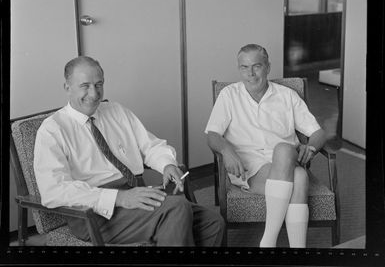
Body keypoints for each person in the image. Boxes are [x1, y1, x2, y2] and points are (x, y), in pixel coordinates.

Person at [34, 56, 224, 246]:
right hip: (94, 213)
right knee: (176, 209)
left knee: (212, 223)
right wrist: (119, 198)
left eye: (99, 84)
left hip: (136, 194)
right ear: (67, 87)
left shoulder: (116, 111)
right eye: (85, 85)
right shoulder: (53, 129)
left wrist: (167, 164)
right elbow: (53, 190)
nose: (94, 94)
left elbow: (151, 145)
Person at [205, 44, 327, 248]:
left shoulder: (287, 96)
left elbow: (318, 133)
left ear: (268, 67)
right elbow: (213, 135)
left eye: (256, 66)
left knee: (289, 158)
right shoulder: (229, 95)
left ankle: (273, 244)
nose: (250, 74)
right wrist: (226, 150)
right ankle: (280, 245)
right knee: (298, 172)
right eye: (244, 67)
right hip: (248, 168)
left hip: (286, 162)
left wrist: (312, 148)